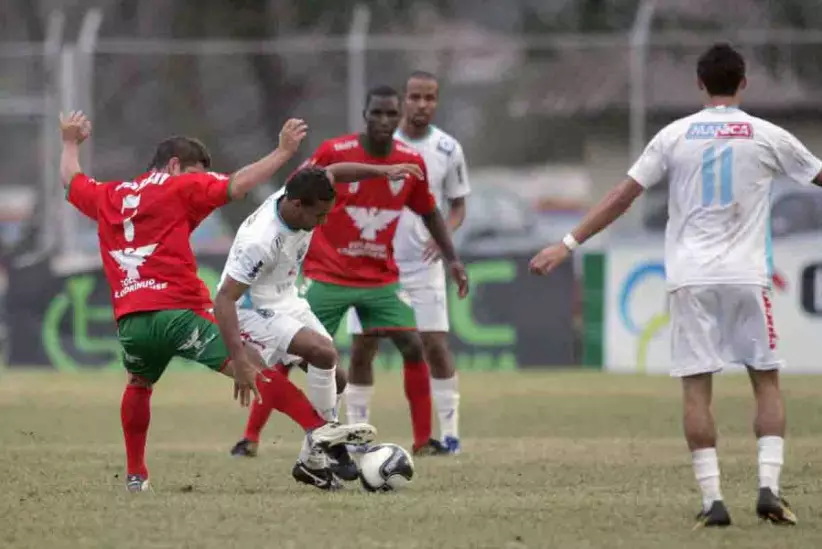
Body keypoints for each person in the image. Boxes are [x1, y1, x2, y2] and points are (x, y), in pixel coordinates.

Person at [529, 43, 815, 528]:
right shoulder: (767, 135)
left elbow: (622, 196)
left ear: (700, 84)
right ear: (744, 83)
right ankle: (768, 487)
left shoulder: (675, 135)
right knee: (766, 382)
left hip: (691, 277)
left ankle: (713, 500)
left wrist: (567, 243)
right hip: (748, 276)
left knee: (696, 389)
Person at [60, 112, 375, 493]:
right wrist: (281, 152)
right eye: (197, 173)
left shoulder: (108, 195)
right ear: (174, 165)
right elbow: (237, 185)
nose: (201, 180)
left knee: (139, 384)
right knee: (253, 367)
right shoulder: (178, 186)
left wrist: (70, 142)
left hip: (132, 321)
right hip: (179, 312)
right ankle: (322, 432)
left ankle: (136, 475)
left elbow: (71, 180)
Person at [230, 84, 469, 458]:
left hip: (380, 278)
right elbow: (304, 187)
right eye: (377, 113)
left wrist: (452, 258)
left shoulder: (410, 162)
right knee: (292, 354)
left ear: (399, 118)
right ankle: (250, 438)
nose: (384, 120)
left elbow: (430, 212)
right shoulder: (335, 150)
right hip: (328, 275)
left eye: (391, 114)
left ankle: (422, 442)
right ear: (365, 115)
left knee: (413, 344)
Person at [215, 161, 424, 486]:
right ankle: (330, 441)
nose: (323, 222)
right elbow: (224, 299)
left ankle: (311, 462)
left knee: (337, 378)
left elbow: (333, 171)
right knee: (323, 353)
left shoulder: (301, 190)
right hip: (250, 309)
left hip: (286, 299)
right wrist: (239, 358)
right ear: (297, 205)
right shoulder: (261, 241)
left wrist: (382, 172)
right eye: (319, 215)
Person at [346, 71, 470, 455]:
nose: (422, 105)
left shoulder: (448, 149)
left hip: (422, 264)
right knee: (363, 347)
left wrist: (443, 237)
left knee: (434, 345)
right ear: (403, 101)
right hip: (373, 262)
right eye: (415, 97)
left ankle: (449, 434)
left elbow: (457, 206)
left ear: (437, 101)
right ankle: (356, 435)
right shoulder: (380, 143)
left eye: (429, 98)